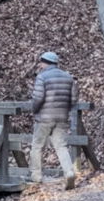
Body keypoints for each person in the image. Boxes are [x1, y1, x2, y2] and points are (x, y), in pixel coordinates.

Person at [25, 51, 78, 190]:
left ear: (44, 62)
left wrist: (34, 110)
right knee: (61, 146)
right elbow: (73, 100)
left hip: (44, 118)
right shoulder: (68, 77)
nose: (40, 65)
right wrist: (64, 110)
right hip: (61, 117)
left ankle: (36, 176)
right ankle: (69, 172)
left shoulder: (42, 77)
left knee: (37, 145)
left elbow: (38, 98)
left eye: (41, 62)